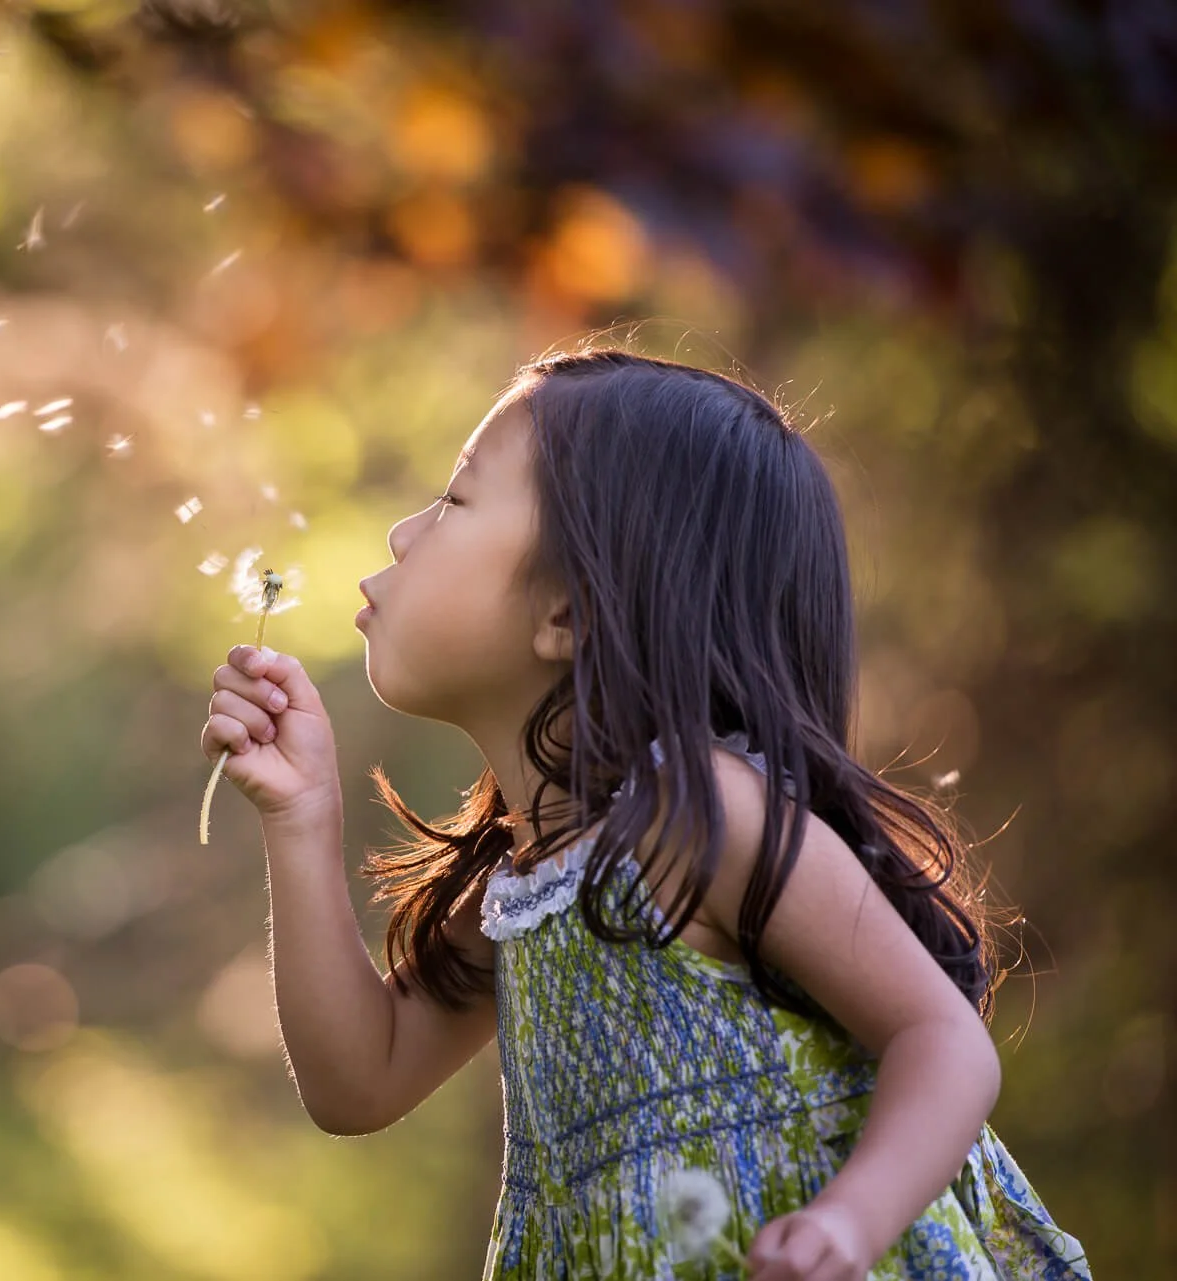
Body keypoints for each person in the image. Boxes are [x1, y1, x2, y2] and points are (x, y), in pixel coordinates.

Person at [199, 348, 1092, 1280]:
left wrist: (848, 1224)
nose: (399, 532)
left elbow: (942, 1037)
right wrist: (301, 816)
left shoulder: (699, 817)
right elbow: (360, 1079)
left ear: (571, 612)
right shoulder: (532, 879)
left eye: (456, 500)